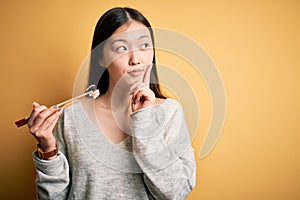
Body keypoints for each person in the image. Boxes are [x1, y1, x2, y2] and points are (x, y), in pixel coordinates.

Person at [28, 7, 196, 200]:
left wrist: (144, 122)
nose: (136, 60)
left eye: (144, 46)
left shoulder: (170, 113)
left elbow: (176, 193)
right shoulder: (71, 118)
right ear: (101, 57)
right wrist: (48, 150)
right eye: (122, 48)